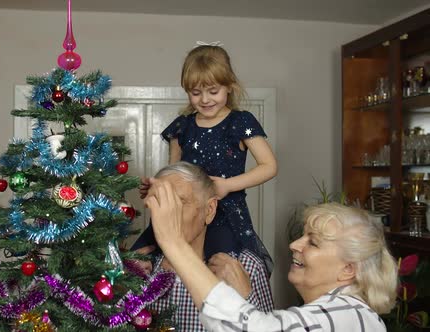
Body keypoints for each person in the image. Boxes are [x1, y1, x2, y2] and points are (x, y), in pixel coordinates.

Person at [145, 181, 398, 332]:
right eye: (303, 235)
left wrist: (174, 242)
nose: (294, 245)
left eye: (314, 242)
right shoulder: (333, 311)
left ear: (348, 270)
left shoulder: (347, 314)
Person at [132, 44, 277, 271]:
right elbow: (174, 173)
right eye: (196, 93)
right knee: (139, 260)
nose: (205, 100)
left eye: (213, 91)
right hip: (185, 214)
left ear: (229, 86)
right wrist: (157, 187)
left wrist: (228, 185)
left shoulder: (240, 122)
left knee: (219, 271)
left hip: (225, 215)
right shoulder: (182, 126)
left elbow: (269, 166)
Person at [145, 162, 273, 330]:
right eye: (161, 203)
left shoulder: (247, 267)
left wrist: (246, 297)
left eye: (180, 202)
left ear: (209, 210)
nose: (169, 213)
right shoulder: (139, 270)